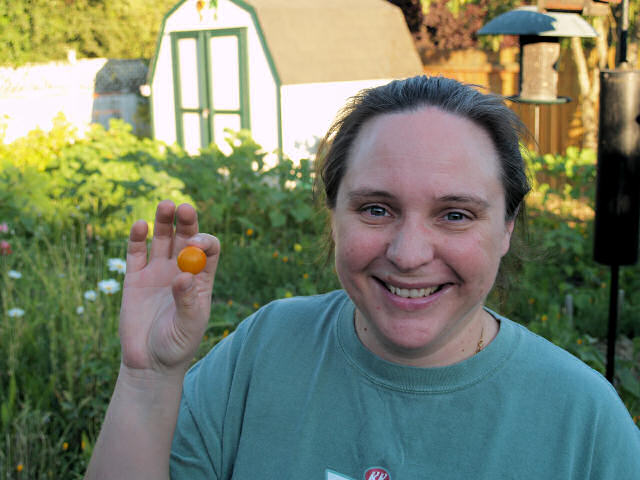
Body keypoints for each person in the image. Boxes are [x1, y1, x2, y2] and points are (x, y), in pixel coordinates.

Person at [85, 75, 640, 480]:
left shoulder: (583, 421)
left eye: (455, 214)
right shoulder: (263, 350)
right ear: (334, 214)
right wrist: (148, 378)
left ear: (507, 229)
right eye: (377, 208)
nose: (408, 253)